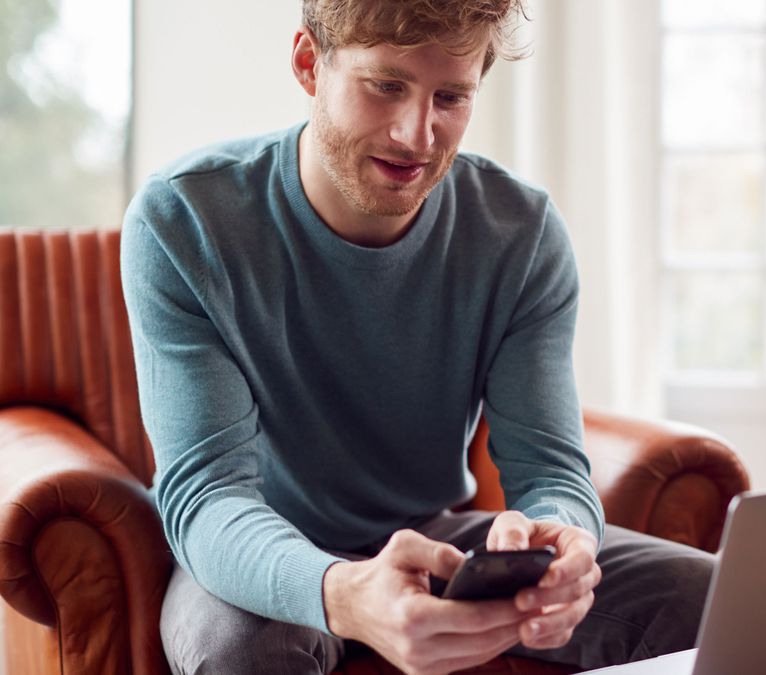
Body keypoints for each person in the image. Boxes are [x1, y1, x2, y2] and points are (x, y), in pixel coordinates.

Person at [120, 1, 713, 674]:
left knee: (716, 600)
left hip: (432, 537)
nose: (417, 135)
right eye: (386, 86)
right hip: (257, 547)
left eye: (451, 97)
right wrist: (341, 591)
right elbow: (208, 497)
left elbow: (551, 469)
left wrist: (561, 537)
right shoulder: (184, 219)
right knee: (242, 651)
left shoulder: (520, 234)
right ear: (310, 64)